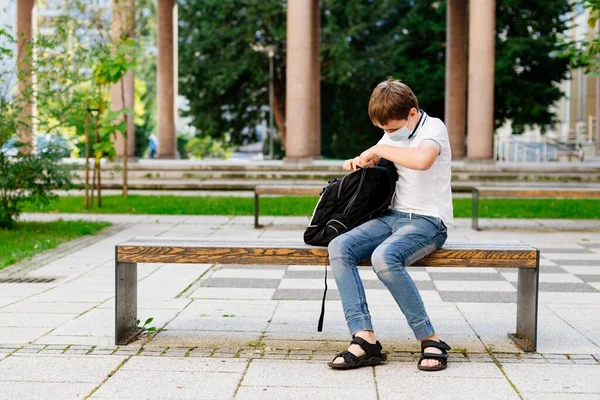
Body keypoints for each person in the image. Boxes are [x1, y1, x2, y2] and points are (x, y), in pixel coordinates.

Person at [327, 78, 453, 372]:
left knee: (384, 257)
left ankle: (429, 338)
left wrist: (378, 148)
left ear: (411, 114)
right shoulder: (390, 137)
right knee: (340, 246)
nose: (389, 134)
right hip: (392, 216)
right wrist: (362, 162)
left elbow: (422, 160)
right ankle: (364, 337)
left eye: (393, 128)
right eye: (383, 130)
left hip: (429, 221)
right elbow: (385, 161)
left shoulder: (433, 128)